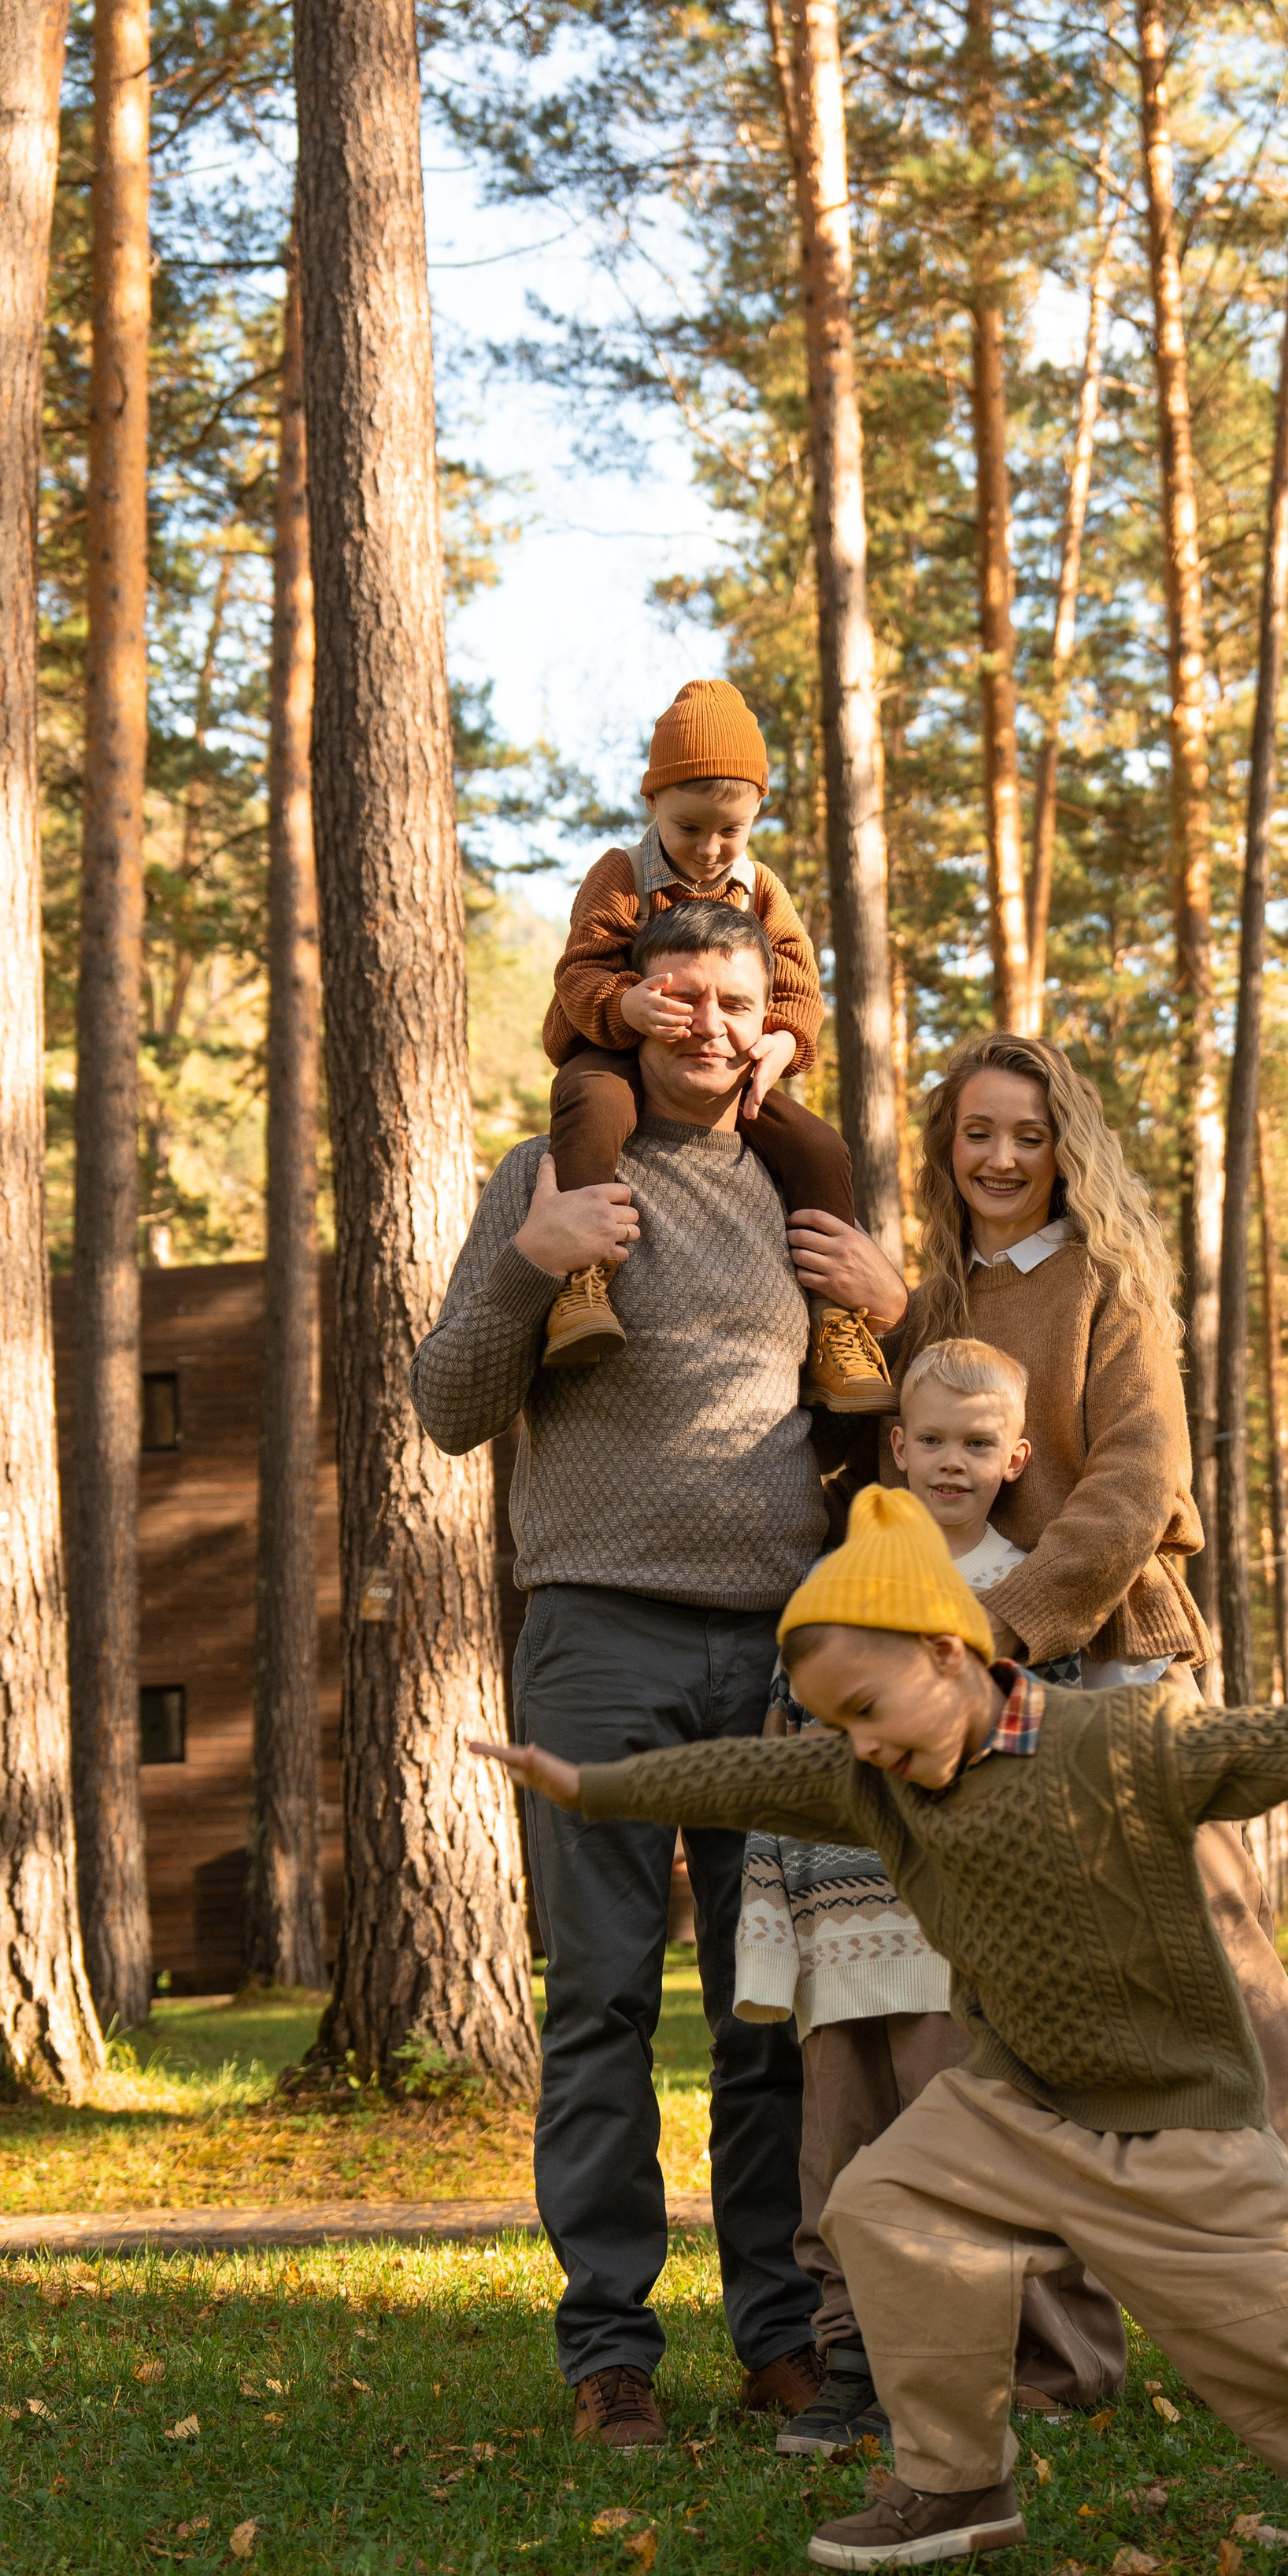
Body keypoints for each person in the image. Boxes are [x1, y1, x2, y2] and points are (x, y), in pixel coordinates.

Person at [476, 1486, 1288, 2576]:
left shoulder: (1122, 1741)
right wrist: (592, 1785)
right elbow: (734, 1772)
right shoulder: (873, 1784)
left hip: (1175, 2120)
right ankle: (959, 2482)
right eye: (835, 1724)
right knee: (884, 2202)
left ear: (948, 1653)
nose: (857, 1745)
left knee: (1277, 2330)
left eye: (867, 1709)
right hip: (1012, 2103)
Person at [411, 898, 908, 2450]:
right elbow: (443, 1405)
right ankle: (608, 2353)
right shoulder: (552, 1173)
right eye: (677, 994)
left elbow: (920, 1413)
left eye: (734, 998)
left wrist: (901, 1307)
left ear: (774, 1017)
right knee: (602, 2003)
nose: (705, 1022)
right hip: (596, 1633)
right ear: (627, 1006)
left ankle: (776, 2334)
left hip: (784, 1645)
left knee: (771, 2010)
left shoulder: (799, 1184)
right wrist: (526, 1266)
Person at [879, 1032, 1288, 2385]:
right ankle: (1065, 2363)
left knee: (1231, 2014)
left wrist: (1002, 1627)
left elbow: (1135, 1486)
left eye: (1028, 1132)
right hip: (993, 1708)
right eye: (975, 1135)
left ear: (1068, 1146)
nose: (1001, 1157)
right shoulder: (943, 1299)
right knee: (1032, 2021)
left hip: (1117, 1677)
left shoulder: (1104, 1282)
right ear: (946, 1153)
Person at [735, 1338, 1125, 2456]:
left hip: (962, 1944)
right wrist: (776, 1937)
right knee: (843, 2163)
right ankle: (854, 2354)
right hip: (841, 1933)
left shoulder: (1027, 1594)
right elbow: (784, 1766)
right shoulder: (829, 1591)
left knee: (981, 2151)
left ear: (1016, 1456)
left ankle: (1039, 2361)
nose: (952, 1461)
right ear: (897, 1446)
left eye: (977, 1443)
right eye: (933, 1441)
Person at [539, 674, 891, 1412]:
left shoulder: (760, 887)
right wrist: (625, 1004)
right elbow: (579, 970)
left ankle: (834, 1321)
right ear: (654, 806)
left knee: (820, 1148)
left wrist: (784, 1042)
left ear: (758, 814)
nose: (708, 849)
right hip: (617, 1044)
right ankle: (582, 1282)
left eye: (729, 831)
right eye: (689, 828)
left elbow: (797, 980)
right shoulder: (621, 874)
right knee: (592, 1102)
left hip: (724, 1061)